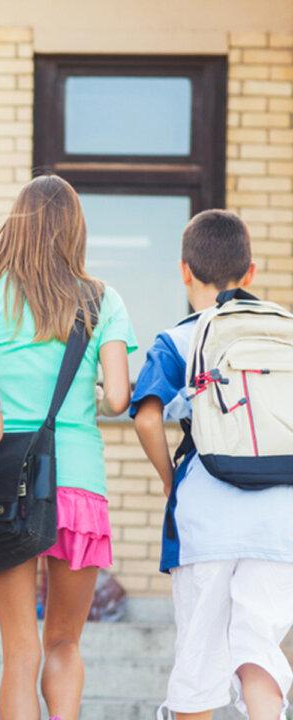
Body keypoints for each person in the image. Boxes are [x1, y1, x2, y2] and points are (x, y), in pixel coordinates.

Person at [0, 175, 135, 720]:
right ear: (75, 231)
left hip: (5, 481)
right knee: (65, 642)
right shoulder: (103, 298)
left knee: (19, 649)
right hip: (78, 479)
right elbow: (119, 399)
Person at [131, 209, 293, 720]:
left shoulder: (178, 339)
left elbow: (147, 418)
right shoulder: (284, 334)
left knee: (199, 662)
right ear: (251, 273)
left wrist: (167, 480)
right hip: (281, 520)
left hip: (206, 519)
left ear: (183, 271)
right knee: (260, 656)